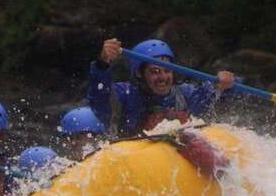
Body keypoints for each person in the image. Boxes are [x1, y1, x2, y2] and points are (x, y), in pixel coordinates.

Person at [87, 38, 236, 136]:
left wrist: (224, 85)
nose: (163, 78)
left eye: (167, 70)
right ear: (139, 73)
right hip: (136, 159)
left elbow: (211, 96)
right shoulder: (124, 94)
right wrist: (102, 64)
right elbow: (99, 99)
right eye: (155, 72)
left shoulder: (184, 94)